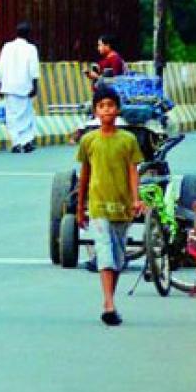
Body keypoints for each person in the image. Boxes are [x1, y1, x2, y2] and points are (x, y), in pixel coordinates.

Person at [76, 86, 144, 327]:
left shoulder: (128, 140)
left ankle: (110, 300)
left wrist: (136, 199)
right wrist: (79, 207)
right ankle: (108, 303)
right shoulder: (88, 141)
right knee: (104, 252)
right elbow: (84, 174)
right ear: (95, 111)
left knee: (117, 257)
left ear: (117, 110)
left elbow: (132, 172)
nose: (106, 110)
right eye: (101, 106)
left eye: (110, 106)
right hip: (98, 206)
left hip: (122, 206)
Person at [0, 22, 41, 153]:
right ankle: (26, 141)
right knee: (26, 115)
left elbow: (0, 70)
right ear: (28, 34)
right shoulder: (31, 48)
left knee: (12, 117)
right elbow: (34, 70)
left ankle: (16, 143)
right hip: (24, 87)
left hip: (9, 87)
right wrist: (35, 87)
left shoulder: (7, 47)